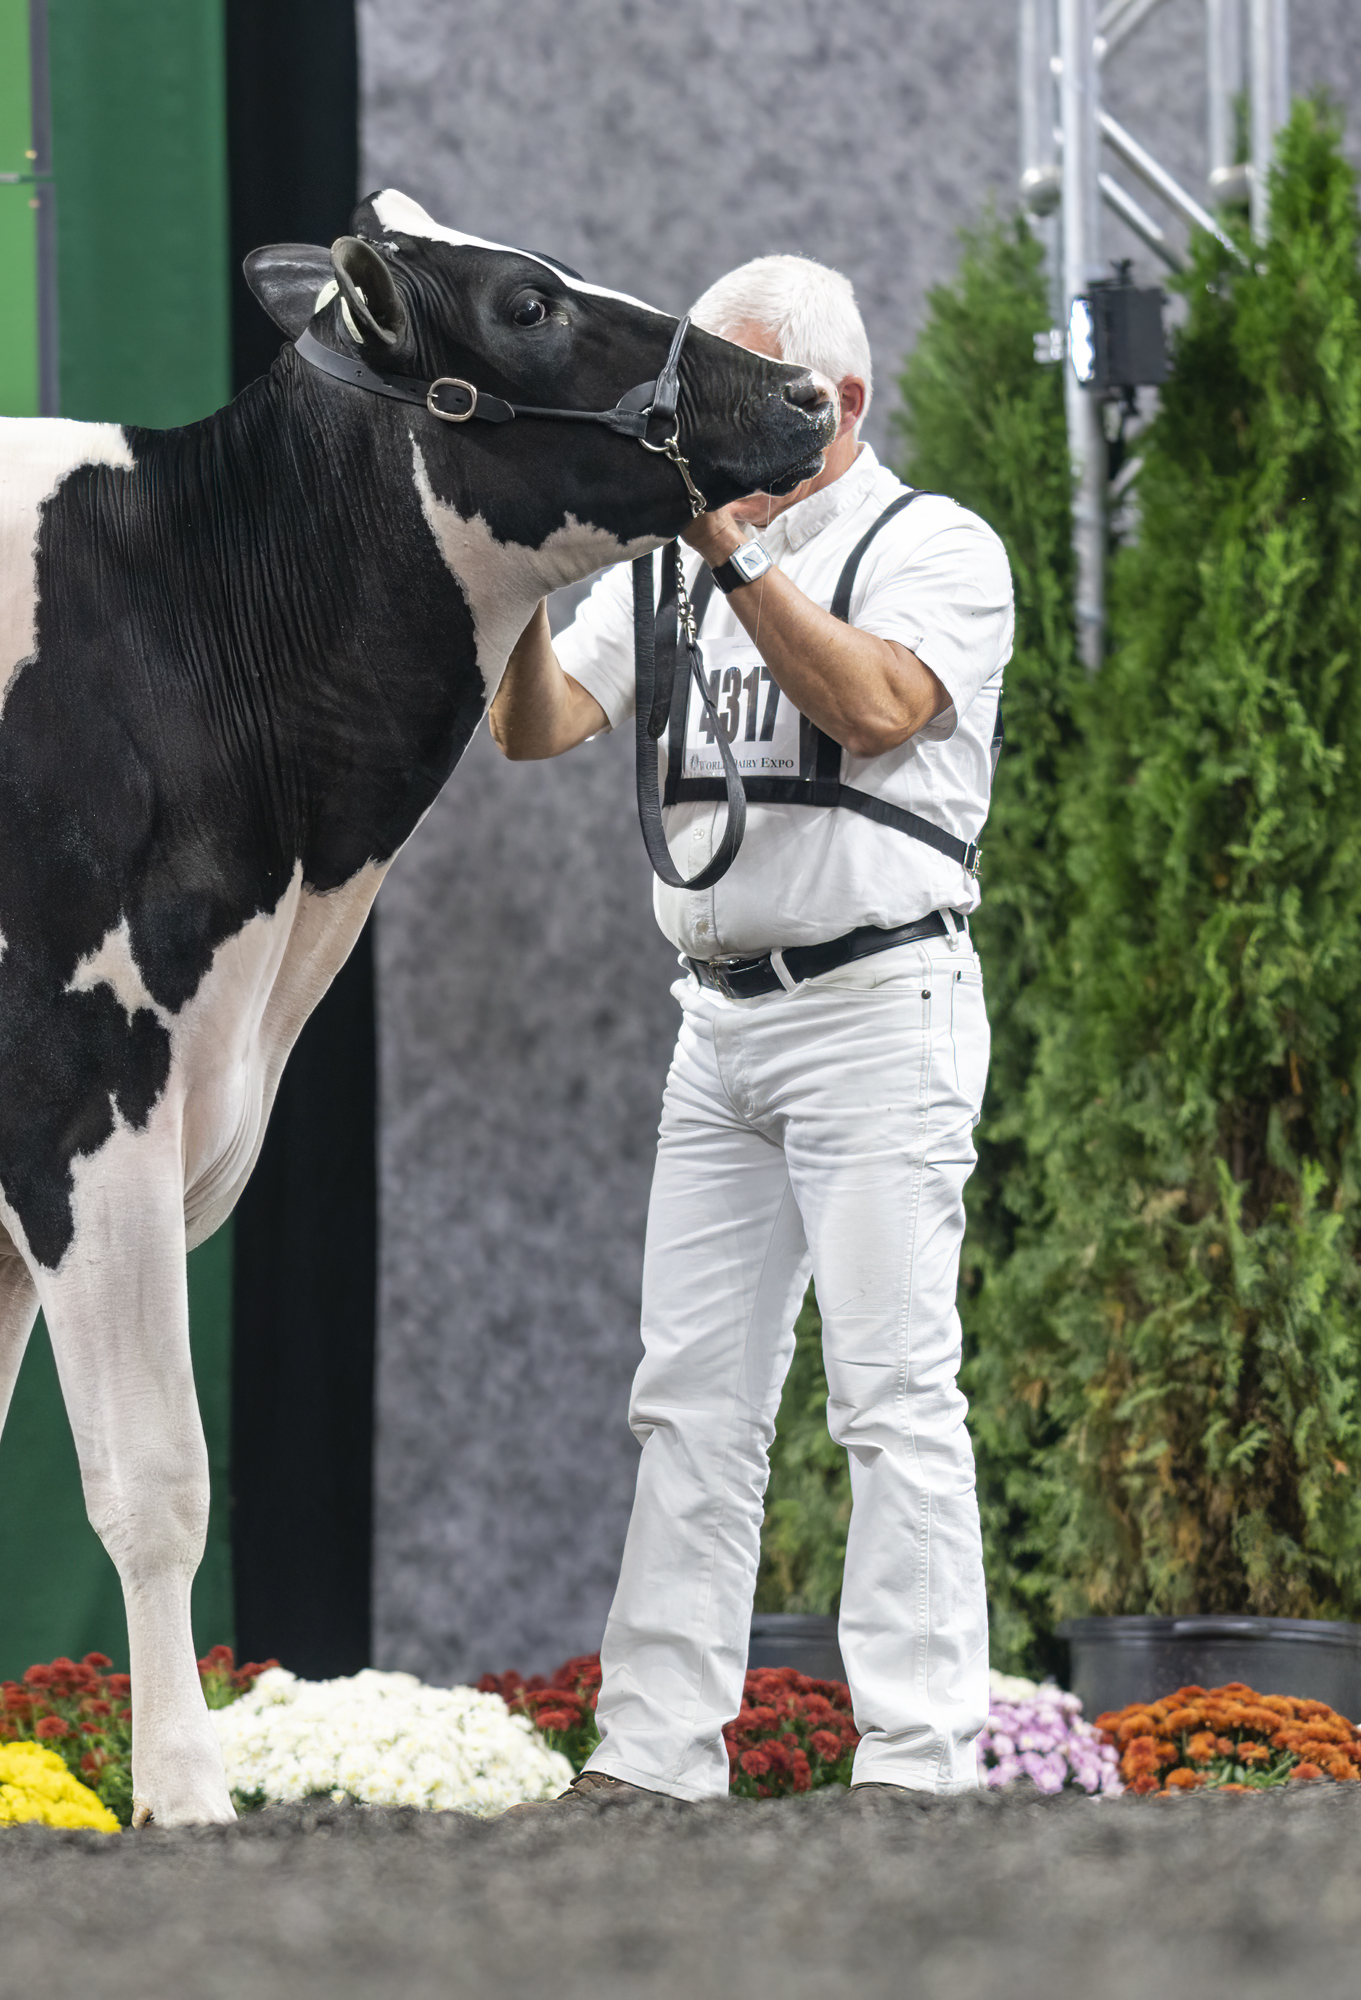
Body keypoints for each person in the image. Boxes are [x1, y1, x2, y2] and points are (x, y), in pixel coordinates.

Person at [491, 255, 1015, 1800]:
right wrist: (520, 575)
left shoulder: (935, 545)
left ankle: (920, 1761)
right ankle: (656, 1753)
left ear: (837, 404)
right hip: (715, 1025)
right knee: (690, 1400)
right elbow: (536, 726)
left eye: (746, 399)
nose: (704, 430)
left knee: (892, 1393)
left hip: (877, 1005)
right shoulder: (676, 558)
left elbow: (878, 707)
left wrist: (729, 557)